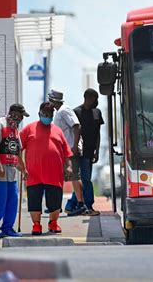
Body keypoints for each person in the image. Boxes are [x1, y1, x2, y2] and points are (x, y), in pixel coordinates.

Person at [20, 102, 74, 235]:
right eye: (44, 114)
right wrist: (21, 167)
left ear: (52, 115)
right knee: (34, 201)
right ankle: (36, 225)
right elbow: (17, 147)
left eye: (49, 115)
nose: (46, 117)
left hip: (54, 174)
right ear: (39, 113)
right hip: (34, 173)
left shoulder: (58, 130)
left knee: (55, 201)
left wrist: (69, 167)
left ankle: (53, 223)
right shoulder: (29, 129)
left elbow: (66, 152)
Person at [0, 104, 28, 238]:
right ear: (14, 113)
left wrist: (24, 169)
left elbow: (18, 151)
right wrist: (0, 166)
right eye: (20, 116)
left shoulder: (15, 129)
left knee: (12, 201)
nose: (21, 119)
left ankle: (8, 228)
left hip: (11, 171)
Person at [48, 89, 89, 216]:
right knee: (62, 177)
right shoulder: (59, 112)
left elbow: (76, 126)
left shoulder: (64, 110)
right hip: (64, 150)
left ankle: (81, 204)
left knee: (75, 176)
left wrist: (75, 146)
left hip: (70, 149)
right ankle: (57, 205)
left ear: (52, 100)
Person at [65, 88, 103, 216]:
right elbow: (73, 132)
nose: (96, 101)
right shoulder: (76, 112)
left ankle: (72, 205)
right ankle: (87, 206)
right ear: (88, 98)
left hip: (89, 152)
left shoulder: (97, 113)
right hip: (77, 151)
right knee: (79, 179)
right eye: (95, 98)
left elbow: (98, 134)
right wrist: (73, 147)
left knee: (85, 179)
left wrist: (97, 151)